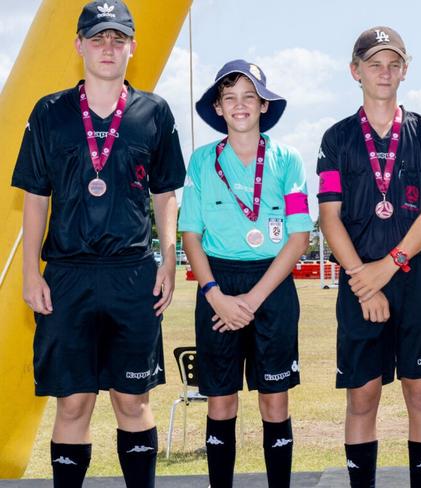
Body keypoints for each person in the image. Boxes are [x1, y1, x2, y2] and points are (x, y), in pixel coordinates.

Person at [10, 1, 186, 486]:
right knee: (74, 402)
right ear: (78, 45)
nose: (107, 47)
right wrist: (30, 272)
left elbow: (166, 194)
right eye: (97, 38)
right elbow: (35, 199)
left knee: (133, 401)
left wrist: (169, 259)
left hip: (132, 274)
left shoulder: (154, 111)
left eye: (117, 38)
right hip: (67, 275)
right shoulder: (49, 111)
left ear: (131, 46)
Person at [317, 27, 421, 488]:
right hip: (359, 281)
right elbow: (329, 217)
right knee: (362, 396)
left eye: (394, 63)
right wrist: (362, 278)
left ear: (406, 70)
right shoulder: (336, 138)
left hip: (414, 279)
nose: (384, 72)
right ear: (355, 71)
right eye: (374, 63)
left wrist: (388, 265)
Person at [179, 59, 312, 488]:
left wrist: (252, 301)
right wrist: (216, 294)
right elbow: (190, 235)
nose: (240, 106)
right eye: (230, 98)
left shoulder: (286, 159)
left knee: (275, 402)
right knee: (220, 403)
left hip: (270, 287)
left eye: (249, 97)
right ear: (218, 107)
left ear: (262, 105)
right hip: (217, 287)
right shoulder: (202, 161)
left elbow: (298, 238)